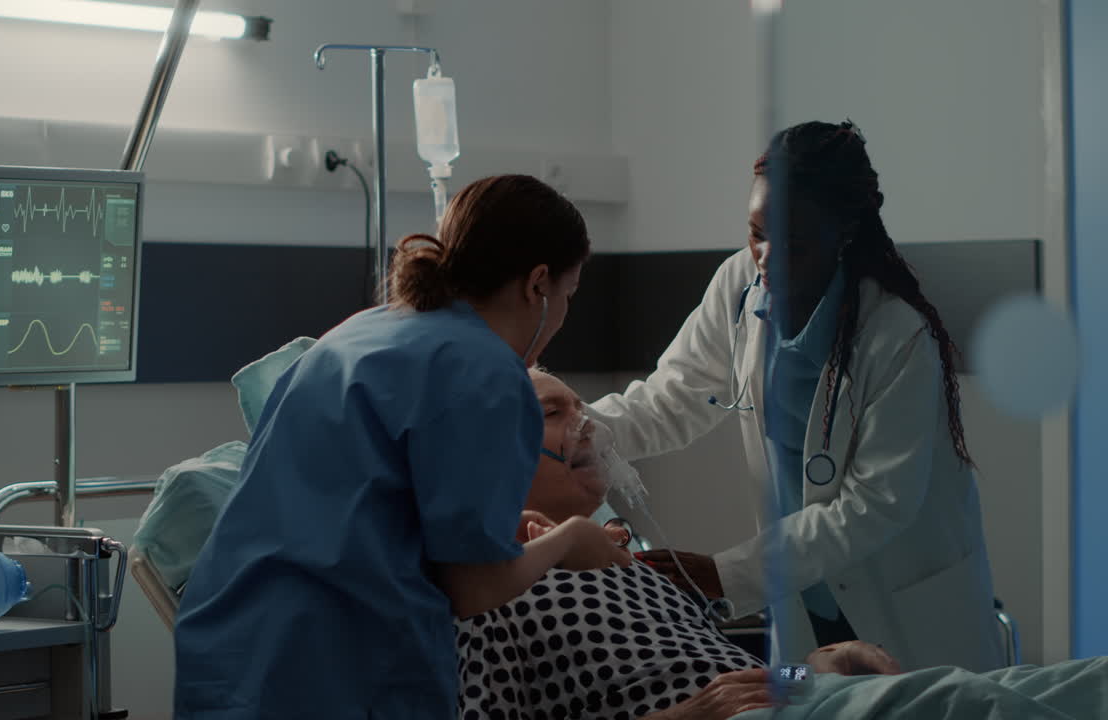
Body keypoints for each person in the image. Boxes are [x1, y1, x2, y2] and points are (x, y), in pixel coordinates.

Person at [173, 175, 630, 720]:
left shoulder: (362, 332)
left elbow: (361, 499)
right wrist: (569, 542)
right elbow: (474, 588)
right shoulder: (485, 372)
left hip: (228, 646)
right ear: (537, 284)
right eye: (569, 295)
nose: (562, 315)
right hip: (334, 668)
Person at [586, 121, 1005, 671]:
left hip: (902, 596)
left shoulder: (896, 335)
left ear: (843, 233)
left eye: (794, 242)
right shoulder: (738, 286)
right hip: (804, 596)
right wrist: (569, 428)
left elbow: (874, 504)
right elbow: (672, 397)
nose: (767, 258)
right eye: (757, 233)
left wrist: (725, 573)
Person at [459, 370, 1108, 720]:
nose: (588, 426)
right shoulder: (486, 585)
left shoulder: (633, 566)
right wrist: (688, 718)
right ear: (491, 456)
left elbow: (747, 683)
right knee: (967, 705)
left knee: (1076, 684)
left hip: (789, 705)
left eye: (583, 407)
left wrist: (815, 668)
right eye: (554, 412)